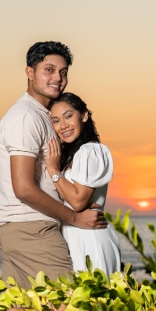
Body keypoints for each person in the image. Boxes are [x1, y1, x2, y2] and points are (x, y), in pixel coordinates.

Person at [0, 41, 107, 311]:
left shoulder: (41, 115)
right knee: (72, 301)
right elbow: (23, 188)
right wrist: (75, 218)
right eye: (49, 70)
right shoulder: (26, 117)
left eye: (63, 72)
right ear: (30, 72)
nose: (58, 78)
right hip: (31, 227)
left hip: (15, 226)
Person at [45, 93, 121, 275]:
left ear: (84, 115)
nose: (63, 125)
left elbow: (78, 201)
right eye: (56, 121)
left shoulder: (90, 151)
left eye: (68, 116)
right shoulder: (72, 155)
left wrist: (53, 169)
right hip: (75, 236)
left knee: (95, 292)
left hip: (90, 238)